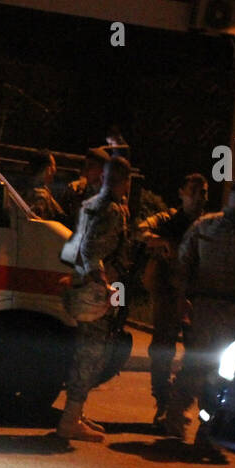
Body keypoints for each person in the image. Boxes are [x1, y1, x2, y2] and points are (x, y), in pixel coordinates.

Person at [164, 179, 235, 448]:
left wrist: (183, 297)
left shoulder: (210, 227)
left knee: (209, 369)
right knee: (209, 370)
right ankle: (194, 426)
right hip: (221, 311)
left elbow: (182, 266)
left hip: (219, 310)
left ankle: (191, 424)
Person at [58, 156, 133, 442]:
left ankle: (75, 413)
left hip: (86, 284)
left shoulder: (92, 205)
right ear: (124, 181)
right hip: (97, 289)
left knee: (88, 349)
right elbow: (90, 250)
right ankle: (69, 421)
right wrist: (101, 283)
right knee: (91, 352)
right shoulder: (112, 210)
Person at [137, 173, 208, 427]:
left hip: (196, 298)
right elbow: (141, 230)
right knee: (162, 351)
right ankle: (164, 402)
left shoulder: (208, 224)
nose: (200, 197)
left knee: (198, 354)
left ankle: (182, 402)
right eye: (194, 191)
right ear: (182, 193)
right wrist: (159, 241)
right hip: (168, 295)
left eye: (204, 193)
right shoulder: (168, 219)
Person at [60, 147, 110, 229]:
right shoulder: (77, 190)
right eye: (86, 165)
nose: (86, 169)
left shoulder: (112, 195)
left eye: (91, 165)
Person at [23, 149, 64, 220]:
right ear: (48, 169)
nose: (55, 170)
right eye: (54, 165)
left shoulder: (27, 189)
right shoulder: (40, 196)